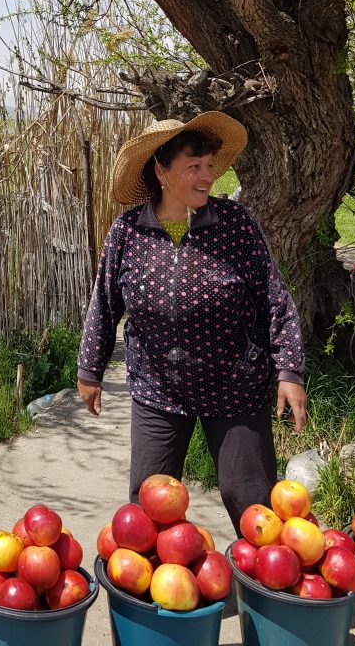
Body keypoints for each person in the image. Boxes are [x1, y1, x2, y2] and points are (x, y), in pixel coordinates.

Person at [76, 111, 307, 533]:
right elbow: (104, 302)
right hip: (158, 388)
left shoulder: (235, 226)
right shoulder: (128, 233)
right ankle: (154, 598)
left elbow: (274, 296)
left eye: (210, 167)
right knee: (148, 511)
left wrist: (289, 369)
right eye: (194, 167)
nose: (207, 177)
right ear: (161, 171)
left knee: (252, 503)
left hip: (234, 384)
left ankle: (259, 595)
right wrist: (90, 368)